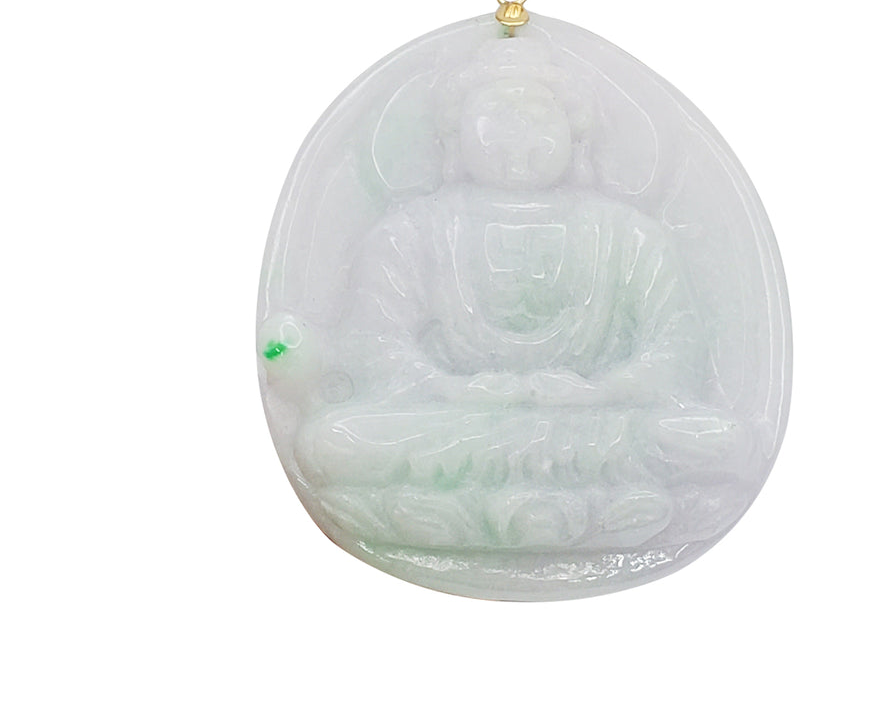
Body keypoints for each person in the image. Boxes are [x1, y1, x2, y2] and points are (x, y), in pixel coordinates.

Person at [293, 43, 752, 550]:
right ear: (454, 138)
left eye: (536, 117)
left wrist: (602, 392)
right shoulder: (412, 231)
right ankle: (625, 513)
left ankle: (441, 515)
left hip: (592, 424)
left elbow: (678, 348)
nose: (518, 136)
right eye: (496, 117)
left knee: (715, 441)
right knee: (334, 445)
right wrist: (452, 391)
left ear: (576, 135)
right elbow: (374, 346)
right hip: (457, 424)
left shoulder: (628, 234)